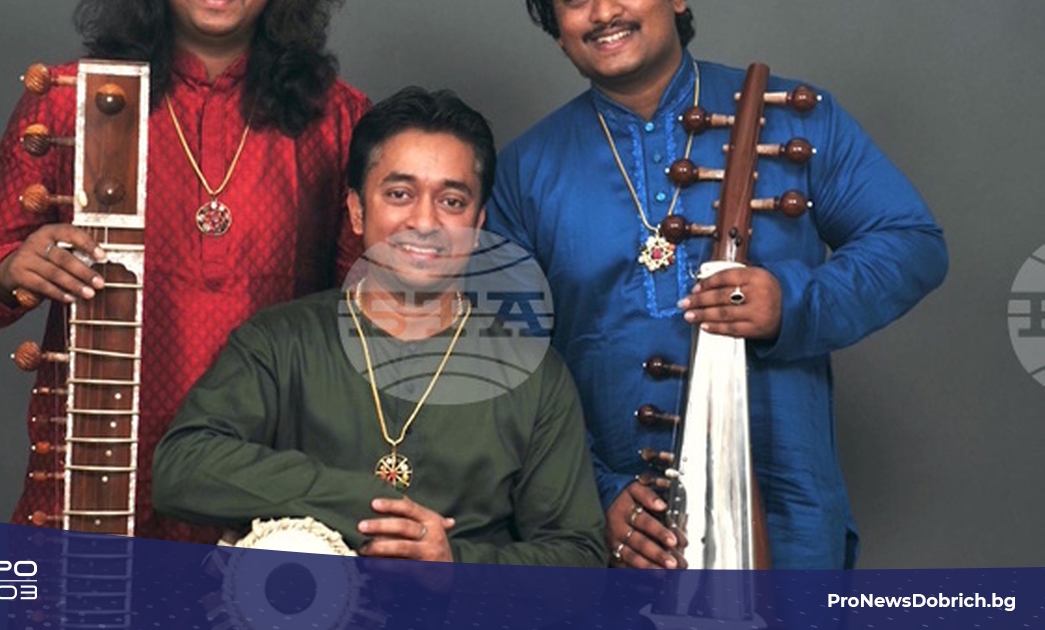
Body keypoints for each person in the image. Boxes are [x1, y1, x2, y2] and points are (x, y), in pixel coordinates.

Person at [487, 0, 948, 569]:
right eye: (575, 1)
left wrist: (792, 304)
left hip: (785, 513)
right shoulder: (526, 171)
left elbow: (912, 243)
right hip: (628, 535)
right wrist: (595, 494)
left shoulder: (797, 118)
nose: (604, 12)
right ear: (559, 33)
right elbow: (511, 362)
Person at [0, 0, 367, 542]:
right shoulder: (73, 99)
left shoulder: (336, 118)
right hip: (101, 466)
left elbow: (365, 314)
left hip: (262, 479)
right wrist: (10, 270)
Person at [152, 87, 606, 567]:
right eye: (399, 194)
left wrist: (454, 563)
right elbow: (182, 467)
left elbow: (579, 556)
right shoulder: (279, 340)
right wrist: (361, 502)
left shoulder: (536, 376)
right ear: (356, 210)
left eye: (452, 201)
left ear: (477, 225)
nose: (425, 221)